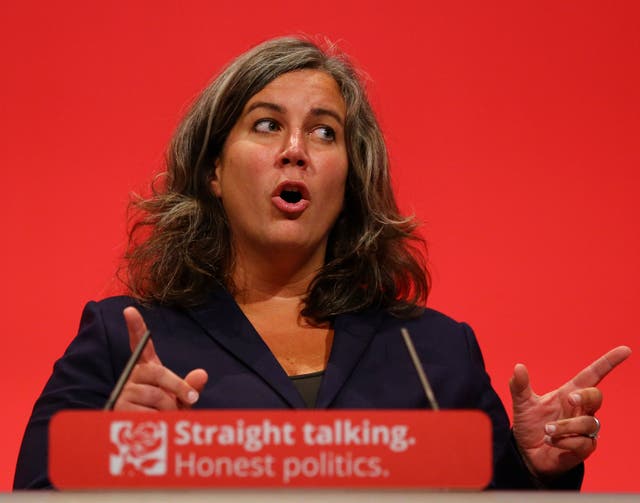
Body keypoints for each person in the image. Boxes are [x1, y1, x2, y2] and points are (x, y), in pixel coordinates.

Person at [14, 36, 630, 490]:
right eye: (265, 125)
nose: (295, 150)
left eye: (324, 133)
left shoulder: (435, 351)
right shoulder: (125, 342)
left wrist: (531, 468)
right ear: (213, 173)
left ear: (350, 179)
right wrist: (110, 456)